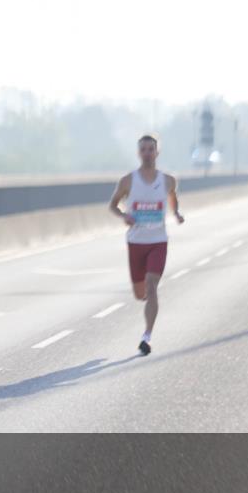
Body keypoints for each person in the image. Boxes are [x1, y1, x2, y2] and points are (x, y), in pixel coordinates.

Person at [108, 134, 184, 356]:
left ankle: (147, 336)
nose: (148, 153)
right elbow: (112, 205)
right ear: (138, 153)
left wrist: (176, 212)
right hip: (136, 242)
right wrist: (124, 215)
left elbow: (172, 196)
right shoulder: (128, 181)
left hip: (158, 241)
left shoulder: (168, 180)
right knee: (140, 293)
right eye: (144, 149)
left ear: (157, 152)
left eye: (151, 149)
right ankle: (145, 314)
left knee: (152, 287)